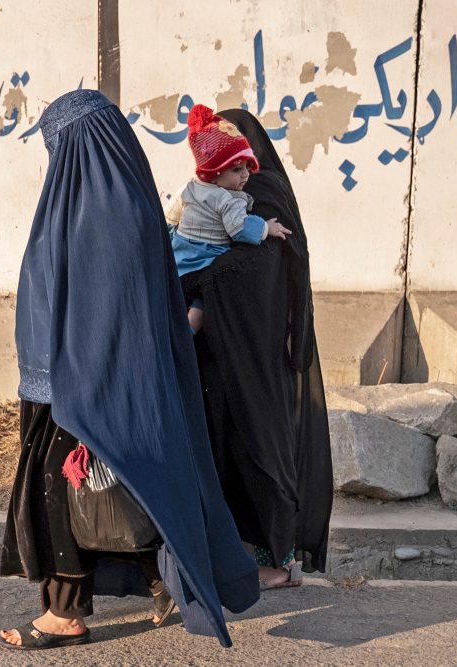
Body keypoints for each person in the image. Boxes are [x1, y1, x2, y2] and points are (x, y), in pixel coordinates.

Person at [0, 89, 259, 651]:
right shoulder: (120, 202)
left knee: (62, 486)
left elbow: (103, 305)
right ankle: (162, 580)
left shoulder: (104, 212)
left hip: (83, 382)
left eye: (60, 146)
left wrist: (77, 380)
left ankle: (65, 613)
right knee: (123, 479)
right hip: (91, 378)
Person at [175, 107, 334, 590]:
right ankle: (241, 558)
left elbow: (259, 271)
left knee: (260, 454)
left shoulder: (264, 201)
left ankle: (278, 567)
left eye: (244, 165)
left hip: (258, 359)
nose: (241, 174)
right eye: (232, 167)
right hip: (222, 359)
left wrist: (200, 287)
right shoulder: (216, 198)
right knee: (227, 455)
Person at [170, 104, 292, 334]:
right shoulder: (230, 198)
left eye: (247, 167)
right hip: (217, 288)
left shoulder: (193, 188)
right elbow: (240, 229)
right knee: (200, 303)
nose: (246, 175)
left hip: (182, 264)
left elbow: (170, 215)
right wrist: (266, 228)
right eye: (237, 169)